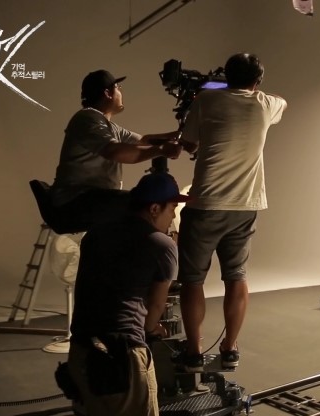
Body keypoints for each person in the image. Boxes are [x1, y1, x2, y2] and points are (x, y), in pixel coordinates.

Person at [176, 52, 287, 372]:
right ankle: (230, 348)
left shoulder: (205, 101)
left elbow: (188, 144)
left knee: (192, 280)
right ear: (258, 81)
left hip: (205, 204)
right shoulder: (266, 104)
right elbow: (283, 101)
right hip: (245, 206)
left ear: (226, 76)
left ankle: (194, 352)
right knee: (236, 276)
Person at [67, 172, 190, 416]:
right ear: (154, 208)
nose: (173, 217)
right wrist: (152, 329)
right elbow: (156, 307)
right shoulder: (162, 245)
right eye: (172, 209)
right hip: (122, 356)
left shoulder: (95, 234)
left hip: (81, 350)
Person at [50, 69, 183, 230]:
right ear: (108, 93)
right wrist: (161, 149)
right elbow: (114, 151)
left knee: (136, 204)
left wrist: (182, 136)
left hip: (93, 199)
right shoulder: (88, 118)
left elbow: (144, 140)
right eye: (118, 87)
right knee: (141, 206)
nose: (121, 92)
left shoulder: (108, 126)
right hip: (74, 202)